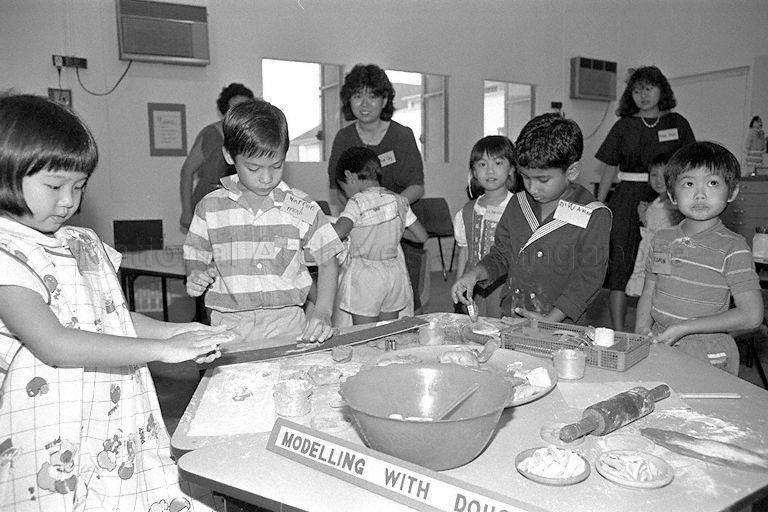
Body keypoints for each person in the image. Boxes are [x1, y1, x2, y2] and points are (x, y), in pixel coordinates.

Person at [0, 94, 234, 511]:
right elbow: (52, 341)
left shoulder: (82, 242)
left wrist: (178, 331)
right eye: (54, 186)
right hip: (50, 426)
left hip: (111, 412)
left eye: (79, 186)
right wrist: (164, 350)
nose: (69, 201)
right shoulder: (7, 253)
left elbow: (113, 317)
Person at [184, 99, 344, 343]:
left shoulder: (298, 206)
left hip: (287, 322)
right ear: (229, 155)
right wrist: (195, 273)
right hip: (229, 326)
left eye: (276, 166)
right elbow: (195, 254)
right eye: (254, 168)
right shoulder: (210, 207)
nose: (267, 177)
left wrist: (323, 310)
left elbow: (328, 256)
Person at [451, 113, 612, 323]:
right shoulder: (519, 203)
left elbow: (589, 277)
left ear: (571, 171)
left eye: (543, 179)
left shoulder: (593, 214)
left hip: (562, 325)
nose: (532, 188)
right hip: (513, 315)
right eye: (525, 177)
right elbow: (501, 254)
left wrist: (552, 318)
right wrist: (476, 273)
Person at [635, 141, 764, 374]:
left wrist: (687, 327)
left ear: (732, 191)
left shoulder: (734, 248)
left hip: (708, 351)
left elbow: (752, 315)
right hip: (660, 341)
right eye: (688, 183)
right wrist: (642, 329)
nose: (700, 194)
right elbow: (648, 291)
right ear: (672, 195)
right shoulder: (662, 239)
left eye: (713, 183)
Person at [595, 66, 695, 331]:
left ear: (661, 90)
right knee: (621, 265)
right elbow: (609, 168)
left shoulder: (677, 124)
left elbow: (690, 167)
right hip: (626, 199)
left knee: (664, 266)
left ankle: (662, 331)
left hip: (668, 203)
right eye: (637, 90)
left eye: (649, 88)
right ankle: (616, 333)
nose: (643, 95)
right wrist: (598, 204)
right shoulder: (624, 125)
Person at [327, 63, 426, 312]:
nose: (364, 103)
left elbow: (416, 185)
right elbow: (338, 187)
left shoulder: (402, 136)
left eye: (372, 95)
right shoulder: (343, 138)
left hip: (400, 230)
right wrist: (361, 214)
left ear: (384, 100)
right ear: (349, 100)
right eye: (357, 95)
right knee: (358, 302)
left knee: (403, 302)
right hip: (359, 233)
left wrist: (385, 212)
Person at [332, 146, 427, 325]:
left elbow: (339, 232)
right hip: (394, 275)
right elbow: (421, 236)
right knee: (387, 332)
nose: (345, 194)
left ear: (349, 176)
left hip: (366, 276)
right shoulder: (398, 200)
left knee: (366, 335)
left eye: (343, 188)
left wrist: (321, 226)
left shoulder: (357, 202)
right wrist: (395, 231)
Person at [453, 135, 517, 319]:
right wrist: (460, 284)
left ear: (512, 167)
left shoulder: (519, 208)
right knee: (474, 329)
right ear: (473, 170)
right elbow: (464, 252)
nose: (490, 171)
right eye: (482, 164)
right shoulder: (466, 211)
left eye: (498, 163)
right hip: (474, 285)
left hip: (506, 284)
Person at [179, 82, 254, 232]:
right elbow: (186, 172)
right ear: (225, 110)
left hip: (238, 213)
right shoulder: (211, 135)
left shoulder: (252, 137)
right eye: (234, 108)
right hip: (207, 210)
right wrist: (186, 211)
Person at [625, 154, 683, 297]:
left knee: (660, 289)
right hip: (649, 250)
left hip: (663, 252)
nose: (658, 180)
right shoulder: (656, 201)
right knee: (649, 291)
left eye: (664, 175)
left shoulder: (675, 204)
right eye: (654, 175)